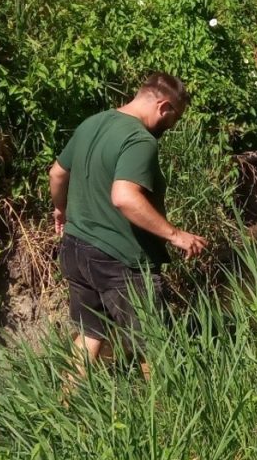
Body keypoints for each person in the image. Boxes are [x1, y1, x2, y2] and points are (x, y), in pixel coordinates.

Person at [49, 72, 208, 379]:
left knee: (90, 335)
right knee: (155, 346)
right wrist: (176, 235)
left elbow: (57, 173)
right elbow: (124, 197)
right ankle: (166, 416)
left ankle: (64, 408)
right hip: (119, 260)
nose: (172, 127)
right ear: (163, 107)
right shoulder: (139, 139)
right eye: (175, 118)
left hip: (75, 249)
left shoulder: (92, 123)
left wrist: (60, 210)